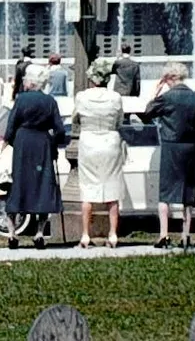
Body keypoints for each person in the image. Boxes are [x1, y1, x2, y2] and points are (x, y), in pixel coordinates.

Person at [143, 62, 195, 251]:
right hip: (189, 147)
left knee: (166, 191)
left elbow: (147, 112)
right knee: (188, 193)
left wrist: (156, 91)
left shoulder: (167, 97)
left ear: (169, 78)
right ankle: (186, 235)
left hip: (171, 146)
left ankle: (164, 235)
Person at [4, 71, 67, 249]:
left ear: (30, 83)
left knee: (19, 185)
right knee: (43, 185)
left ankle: (12, 233)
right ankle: (39, 233)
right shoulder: (50, 101)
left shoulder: (21, 99)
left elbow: (11, 125)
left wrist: (10, 141)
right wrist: (53, 142)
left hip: (23, 143)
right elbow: (59, 129)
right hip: (42, 144)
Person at [72, 57, 127, 249]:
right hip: (110, 141)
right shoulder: (115, 98)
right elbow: (120, 121)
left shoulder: (81, 96)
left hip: (88, 142)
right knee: (112, 188)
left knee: (88, 189)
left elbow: (76, 118)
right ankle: (112, 234)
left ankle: (86, 235)